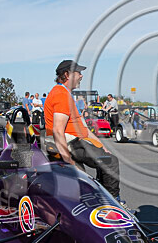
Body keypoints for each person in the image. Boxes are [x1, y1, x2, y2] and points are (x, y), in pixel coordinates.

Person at [44, 59, 123, 201]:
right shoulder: (61, 94)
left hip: (78, 141)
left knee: (104, 161)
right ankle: (114, 203)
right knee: (111, 162)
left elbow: (85, 129)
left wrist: (103, 147)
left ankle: (102, 201)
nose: (81, 76)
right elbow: (57, 130)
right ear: (67, 75)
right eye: (78, 72)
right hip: (72, 143)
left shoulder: (66, 95)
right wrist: (67, 160)